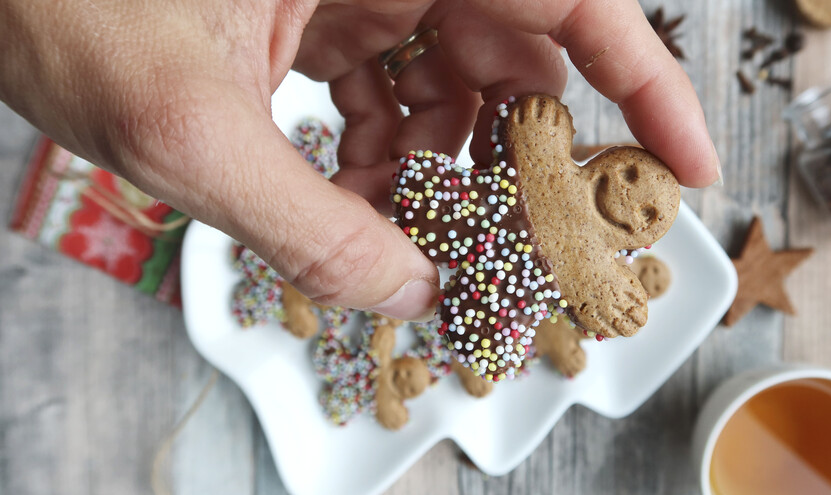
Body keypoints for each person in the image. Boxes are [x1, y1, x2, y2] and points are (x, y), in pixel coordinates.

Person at [0, 0, 720, 321]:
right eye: (632, 175)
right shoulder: (545, 135)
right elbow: (535, 143)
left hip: (495, 288)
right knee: (438, 181)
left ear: (641, 238)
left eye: (648, 211)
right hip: (459, 203)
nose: (630, 196)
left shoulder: (587, 260)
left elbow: (547, 180)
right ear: (608, 160)